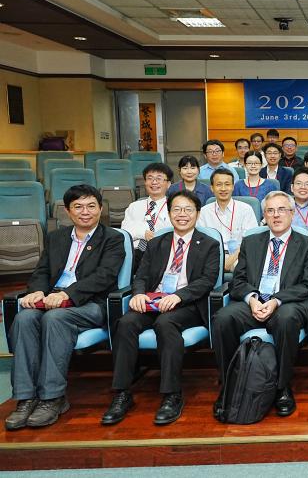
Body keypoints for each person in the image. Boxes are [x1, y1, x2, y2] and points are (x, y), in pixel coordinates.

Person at [5, 185, 125, 431]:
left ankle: (53, 398)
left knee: (55, 319)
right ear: (68, 212)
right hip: (51, 300)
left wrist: (67, 295)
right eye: (78, 207)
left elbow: (104, 277)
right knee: (25, 318)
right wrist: (37, 290)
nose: (85, 212)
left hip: (90, 304)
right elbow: (41, 271)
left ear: (100, 209)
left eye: (91, 206)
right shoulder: (57, 237)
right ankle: (26, 398)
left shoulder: (112, 238)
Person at [102, 190, 220, 426]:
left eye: (188, 210)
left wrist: (178, 296)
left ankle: (171, 394)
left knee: (165, 323)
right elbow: (141, 275)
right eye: (176, 209)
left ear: (197, 214)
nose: (182, 214)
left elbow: (207, 281)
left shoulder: (209, 244)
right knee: (125, 323)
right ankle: (122, 393)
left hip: (186, 304)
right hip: (153, 301)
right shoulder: (156, 243)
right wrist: (137, 295)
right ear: (169, 213)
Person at [211, 191, 308, 418]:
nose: (276, 215)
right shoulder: (251, 242)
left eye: (282, 209)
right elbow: (238, 281)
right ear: (264, 215)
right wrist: (252, 299)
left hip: (288, 302)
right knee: (222, 318)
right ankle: (230, 384)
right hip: (254, 300)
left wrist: (276, 300)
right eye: (270, 210)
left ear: (292, 214)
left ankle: (282, 387)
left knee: (285, 318)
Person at [199, 169, 258, 271]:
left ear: (233, 187)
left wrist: (229, 261)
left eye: (227, 184)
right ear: (212, 188)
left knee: (244, 269)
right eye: (219, 185)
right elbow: (201, 242)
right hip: (211, 257)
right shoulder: (204, 212)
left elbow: (250, 241)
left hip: (239, 256)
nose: (223, 188)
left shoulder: (245, 209)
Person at [122, 163, 173, 253]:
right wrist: (143, 233)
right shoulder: (134, 206)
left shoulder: (174, 207)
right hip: (135, 252)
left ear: (168, 184)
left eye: (159, 178)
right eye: (150, 178)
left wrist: (136, 229)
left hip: (163, 252)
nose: (154, 182)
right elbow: (125, 232)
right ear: (145, 182)